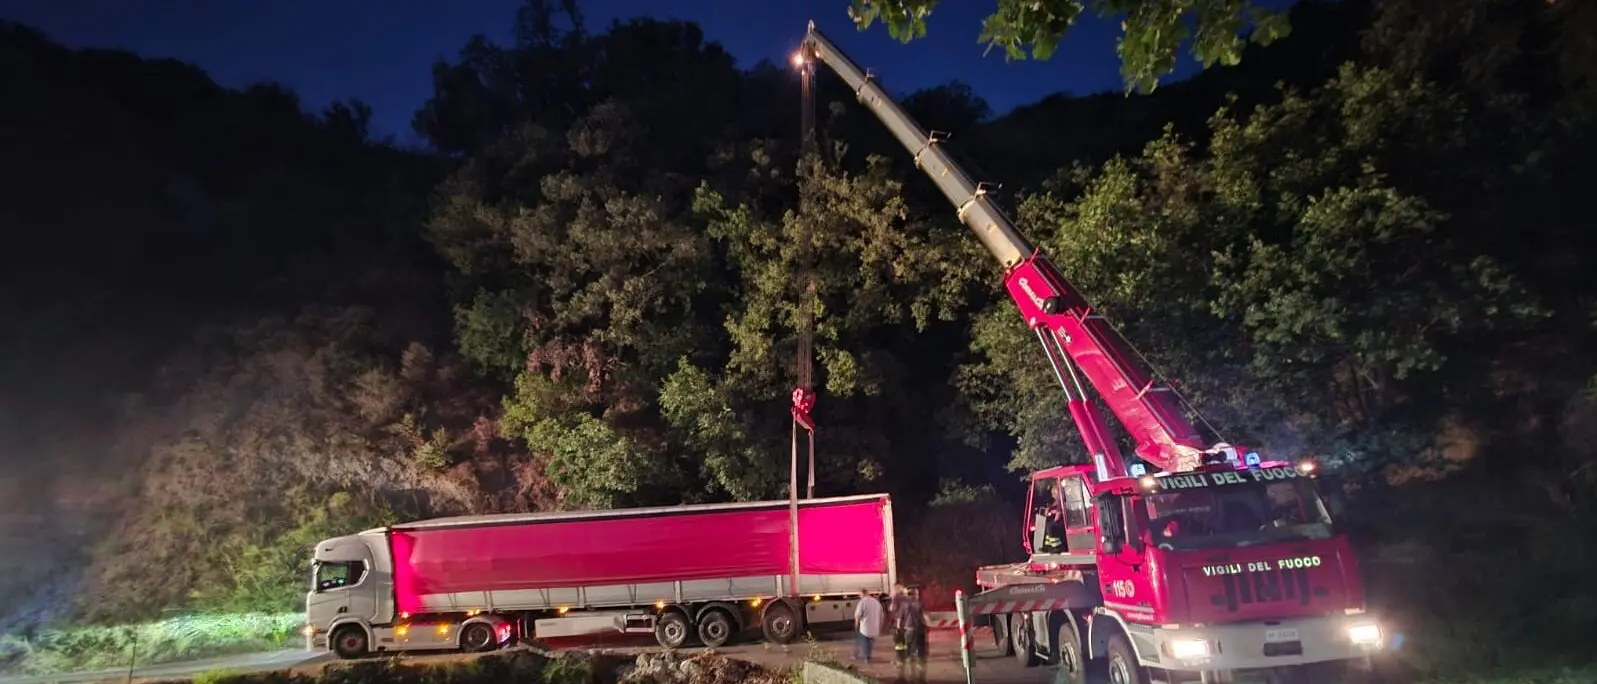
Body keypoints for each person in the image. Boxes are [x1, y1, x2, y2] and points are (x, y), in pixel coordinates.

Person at [892, 585, 929, 683]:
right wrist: (927, 626)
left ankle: (912, 675)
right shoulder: (920, 604)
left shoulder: (904, 605)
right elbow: (925, 618)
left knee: (910, 652)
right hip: (920, 631)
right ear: (916, 595)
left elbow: (900, 619)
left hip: (909, 631)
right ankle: (921, 678)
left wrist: (899, 630)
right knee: (921, 653)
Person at [854, 588, 884, 662]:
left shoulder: (862, 602)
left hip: (865, 628)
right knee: (870, 642)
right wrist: (881, 627)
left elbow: (858, 616)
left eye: (860, 595)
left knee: (864, 642)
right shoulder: (876, 602)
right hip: (875, 628)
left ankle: (865, 657)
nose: (860, 597)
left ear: (862, 594)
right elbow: (882, 616)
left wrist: (856, 626)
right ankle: (867, 655)